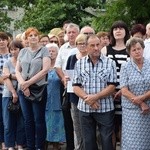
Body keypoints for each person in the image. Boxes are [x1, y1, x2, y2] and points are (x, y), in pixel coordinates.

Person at [73, 35, 117, 150]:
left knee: (106, 141)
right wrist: (89, 100)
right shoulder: (79, 63)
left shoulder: (110, 63)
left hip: (105, 109)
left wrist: (95, 97)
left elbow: (112, 86)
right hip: (85, 109)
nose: (96, 48)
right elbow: (76, 87)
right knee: (88, 142)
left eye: (98, 45)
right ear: (86, 47)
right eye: (92, 45)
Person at [15, 27, 50, 150]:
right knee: (27, 120)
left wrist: (28, 83)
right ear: (26, 38)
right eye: (30, 35)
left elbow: (45, 70)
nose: (33, 37)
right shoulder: (23, 51)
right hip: (23, 89)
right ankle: (30, 147)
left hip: (38, 89)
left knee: (38, 119)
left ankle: (40, 146)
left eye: (35, 35)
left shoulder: (44, 50)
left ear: (38, 37)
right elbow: (17, 71)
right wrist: (23, 84)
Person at [101, 20, 130, 148]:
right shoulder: (105, 50)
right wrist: (110, 89)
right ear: (112, 32)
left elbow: (132, 72)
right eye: (115, 29)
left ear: (126, 31)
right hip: (109, 93)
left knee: (124, 127)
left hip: (126, 93)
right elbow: (100, 72)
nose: (118, 31)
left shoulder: (130, 49)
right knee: (110, 127)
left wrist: (124, 89)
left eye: (121, 28)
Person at [120, 37, 150, 150]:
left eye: (139, 48)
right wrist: (141, 103)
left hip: (149, 109)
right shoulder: (125, 66)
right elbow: (124, 90)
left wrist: (142, 98)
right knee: (133, 143)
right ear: (129, 52)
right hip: (132, 111)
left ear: (143, 49)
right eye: (134, 50)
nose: (137, 51)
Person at [54, 23, 79, 150]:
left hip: (81, 88)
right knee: (68, 118)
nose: (71, 34)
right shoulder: (63, 48)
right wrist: (63, 78)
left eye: (73, 32)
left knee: (80, 120)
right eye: (69, 32)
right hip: (66, 87)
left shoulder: (83, 47)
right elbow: (57, 66)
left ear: (78, 33)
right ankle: (70, 146)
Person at [2, 40, 26, 150]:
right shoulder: (7, 62)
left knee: (21, 121)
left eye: (15, 49)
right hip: (8, 94)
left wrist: (11, 75)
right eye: (11, 49)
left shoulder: (24, 62)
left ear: (21, 50)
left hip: (23, 93)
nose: (13, 52)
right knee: (7, 122)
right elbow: (5, 79)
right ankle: (10, 145)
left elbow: (25, 77)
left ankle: (20, 144)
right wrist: (13, 92)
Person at [66, 33, 87, 150]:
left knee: (88, 126)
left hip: (89, 96)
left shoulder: (92, 58)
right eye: (79, 43)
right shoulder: (71, 58)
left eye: (84, 43)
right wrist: (66, 78)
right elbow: (67, 74)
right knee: (77, 126)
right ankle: (78, 147)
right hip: (74, 95)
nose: (82, 46)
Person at [45, 43, 66, 150]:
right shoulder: (43, 67)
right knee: (45, 123)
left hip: (58, 100)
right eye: (49, 51)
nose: (51, 53)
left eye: (53, 51)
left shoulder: (60, 67)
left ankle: (56, 146)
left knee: (57, 124)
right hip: (44, 100)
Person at [0, 32, 11, 150]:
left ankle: (11, 142)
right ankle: (3, 142)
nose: (1, 41)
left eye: (3, 39)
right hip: (1, 91)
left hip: (11, 92)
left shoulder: (12, 55)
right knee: (1, 119)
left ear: (7, 41)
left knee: (9, 120)